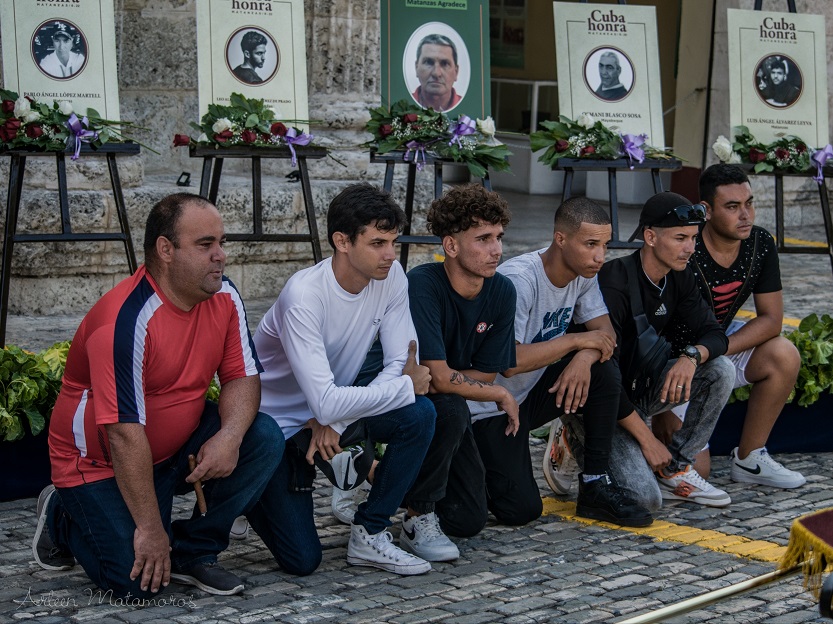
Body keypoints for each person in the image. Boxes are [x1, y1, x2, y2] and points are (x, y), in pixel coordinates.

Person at [33, 193, 284, 598]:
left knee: (263, 436)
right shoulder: (125, 319)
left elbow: (242, 377)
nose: (220, 255)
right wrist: (150, 531)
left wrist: (229, 437)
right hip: (99, 462)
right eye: (206, 245)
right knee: (137, 585)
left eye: (222, 243)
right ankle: (63, 515)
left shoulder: (224, 294)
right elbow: (122, 433)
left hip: (171, 452)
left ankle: (194, 551)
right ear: (165, 250)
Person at [251, 183, 437, 576]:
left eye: (393, 241)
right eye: (377, 243)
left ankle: (370, 532)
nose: (390, 254)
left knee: (420, 414)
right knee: (303, 561)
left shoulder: (392, 276)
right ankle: (249, 492)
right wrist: (402, 386)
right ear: (342, 241)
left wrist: (334, 420)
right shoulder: (304, 295)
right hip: (273, 428)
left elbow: (399, 360)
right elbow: (404, 379)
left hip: (333, 413)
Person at [467, 197, 653, 528]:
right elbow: (508, 361)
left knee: (601, 369)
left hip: (528, 397)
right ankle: (469, 470)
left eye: (605, 245)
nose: (600, 256)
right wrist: (577, 341)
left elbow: (605, 334)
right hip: (489, 407)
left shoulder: (584, 271)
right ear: (561, 239)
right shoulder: (519, 280)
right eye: (591, 244)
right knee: (519, 511)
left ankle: (594, 484)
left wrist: (584, 356)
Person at [552, 192, 736, 512]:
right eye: (680, 238)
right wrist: (648, 441)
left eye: (693, 238)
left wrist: (690, 357)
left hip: (640, 391)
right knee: (644, 500)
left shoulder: (680, 276)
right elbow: (607, 378)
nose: (690, 248)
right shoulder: (615, 282)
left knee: (721, 369)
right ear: (650, 237)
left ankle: (674, 466)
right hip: (600, 400)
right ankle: (573, 437)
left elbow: (716, 335)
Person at [394, 183, 517, 561]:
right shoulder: (422, 284)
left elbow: (481, 375)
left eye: (498, 237)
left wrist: (454, 378)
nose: (496, 249)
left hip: (450, 404)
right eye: (483, 238)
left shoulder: (502, 291)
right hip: (397, 401)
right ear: (451, 246)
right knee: (449, 406)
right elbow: (446, 380)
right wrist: (495, 394)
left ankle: (389, 477)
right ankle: (416, 516)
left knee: (469, 519)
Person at [662, 164, 805, 488]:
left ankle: (750, 457)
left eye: (749, 203)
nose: (746, 215)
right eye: (732, 207)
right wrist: (662, 406)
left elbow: (771, 320)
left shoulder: (760, 243)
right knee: (697, 470)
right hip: (672, 358)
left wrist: (712, 350)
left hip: (710, 348)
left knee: (783, 353)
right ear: (707, 210)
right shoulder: (686, 245)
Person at [411, 34, 463, 112]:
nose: (436, 73)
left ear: (456, 71)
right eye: (428, 62)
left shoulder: (469, 108)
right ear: (416, 67)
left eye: (445, 63)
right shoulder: (403, 105)